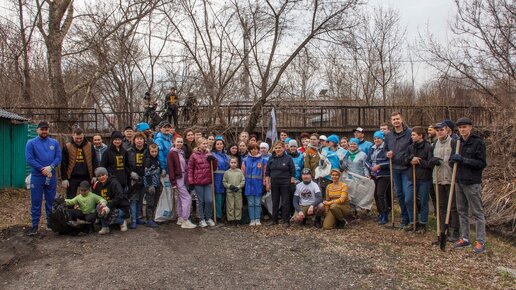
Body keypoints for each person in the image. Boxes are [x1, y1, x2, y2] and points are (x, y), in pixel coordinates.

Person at [451, 117, 487, 253]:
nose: (462, 129)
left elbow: (481, 164)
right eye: (460, 127)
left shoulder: (478, 143)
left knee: (477, 212)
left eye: (465, 127)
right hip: (459, 180)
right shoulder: (457, 142)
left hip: (472, 182)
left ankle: (480, 242)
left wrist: (463, 160)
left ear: (470, 127)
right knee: (462, 211)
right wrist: (452, 161)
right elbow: (453, 160)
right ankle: (465, 238)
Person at [25, 121, 62, 235]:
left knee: (50, 201)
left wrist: (50, 167)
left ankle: (50, 223)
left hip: (51, 176)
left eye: (46, 129)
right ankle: (35, 226)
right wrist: (42, 169)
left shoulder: (54, 142)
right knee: (36, 201)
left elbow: (58, 157)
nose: (44, 131)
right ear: (37, 130)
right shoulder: (31, 143)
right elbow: (29, 159)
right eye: (42, 129)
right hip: (37, 176)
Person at [432, 122, 460, 242]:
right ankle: (443, 230)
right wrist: (432, 160)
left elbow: (458, 160)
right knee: (441, 206)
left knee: (453, 206)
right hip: (437, 179)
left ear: (447, 130)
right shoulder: (434, 144)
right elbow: (428, 161)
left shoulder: (454, 143)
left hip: (450, 178)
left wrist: (454, 162)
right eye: (437, 130)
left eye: (441, 130)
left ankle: (455, 231)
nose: (439, 132)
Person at [384, 112, 412, 228]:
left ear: (402, 120)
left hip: (407, 168)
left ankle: (413, 219)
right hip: (395, 168)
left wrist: (409, 158)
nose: (396, 121)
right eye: (393, 119)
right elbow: (385, 149)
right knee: (399, 195)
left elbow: (414, 148)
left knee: (408, 195)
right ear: (391, 122)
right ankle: (404, 219)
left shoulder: (409, 133)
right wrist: (387, 153)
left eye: (397, 119)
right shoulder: (389, 136)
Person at [404, 126, 434, 232]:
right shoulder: (410, 147)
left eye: (414, 135)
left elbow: (430, 163)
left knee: (423, 201)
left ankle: (423, 223)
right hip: (411, 177)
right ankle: (413, 222)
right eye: (411, 135)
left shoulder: (428, 147)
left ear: (420, 135)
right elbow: (405, 159)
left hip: (424, 178)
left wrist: (419, 161)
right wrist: (410, 159)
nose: (412, 137)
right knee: (408, 199)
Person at [167, 136, 197, 229]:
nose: (179, 143)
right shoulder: (172, 153)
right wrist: (173, 182)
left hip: (184, 177)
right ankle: (185, 220)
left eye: (181, 142)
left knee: (181, 198)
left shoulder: (182, 152)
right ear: (174, 142)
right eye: (178, 142)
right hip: (178, 178)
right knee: (187, 198)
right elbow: (171, 168)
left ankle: (180, 217)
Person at [188, 137, 218, 227]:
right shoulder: (193, 155)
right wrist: (190, 181)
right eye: (203, 144)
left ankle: (208, 217)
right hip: (198, 181)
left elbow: (214, 168)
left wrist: (214, 160)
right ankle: (202, 219)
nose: (205, 145)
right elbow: (190, 169)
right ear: (198, 145)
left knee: (209, 200)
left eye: (206, 144)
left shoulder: (209, 154)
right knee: (200, 201)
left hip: (208, 180)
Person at [265, 141, 296, 227]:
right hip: (274, 183)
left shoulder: (288, 158)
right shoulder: (271, 158)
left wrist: (292, 182)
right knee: (275, 201)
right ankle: (274, 220)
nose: (278, 149)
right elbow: (267, 172)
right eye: (276, 148)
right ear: (274, 149)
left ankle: (286, 220)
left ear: (283, 148)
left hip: (285, 183)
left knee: (285, 202)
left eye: (279, 148)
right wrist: (267, 183)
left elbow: (293, 171)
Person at [61, 127, 97, 199]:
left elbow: (95, 161)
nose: (79, 140)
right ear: (73, 136)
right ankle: (70, 210)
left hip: (86, 176)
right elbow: (63, 163)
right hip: (72, 177)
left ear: (83, 136)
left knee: (88, 199)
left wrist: (95, 175)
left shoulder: (89, 145)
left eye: (80, 138)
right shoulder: (67, 146)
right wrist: (64, 178)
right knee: (70, 199)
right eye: (77, 138)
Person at [93, 167, 129, 234]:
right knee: (99, 208)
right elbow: (95, 198)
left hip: (120, 207)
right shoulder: (97, 185)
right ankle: (105, 227)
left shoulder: (114, 183)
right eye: (99, 176)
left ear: (106, 174)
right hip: (106, 206)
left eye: (103, 175)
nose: (101, 177)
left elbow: (119, 197)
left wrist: (109, 207)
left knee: (108, 213)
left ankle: (121, 221)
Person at [365, 131, 390, 225]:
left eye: (378, 138)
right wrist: (370, 167)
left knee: (380, 194)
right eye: (375, 138)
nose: (376, 140)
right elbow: (367, 160)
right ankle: (380, 213)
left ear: (382, 138)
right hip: (374, 174)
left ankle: (385, 215)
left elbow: (389, 162)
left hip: (384, 174)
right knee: (375, 194)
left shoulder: (386, 148)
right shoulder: (372, 148)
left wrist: (379, 166)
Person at [241, 144, 268, 226]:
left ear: (258, 150)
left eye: (256, 149)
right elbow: (242, 173)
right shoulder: (245, 160)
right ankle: (252, 219)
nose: (254, 150)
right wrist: (243, 184)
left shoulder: (263, 161)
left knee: (257, 203)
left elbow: (265, 173)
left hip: (258, 185)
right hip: (248, 185)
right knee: (251, 204)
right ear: (249, 150)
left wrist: (265, 184)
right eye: (252, 149)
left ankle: (257, 219)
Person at [126, 132, 147, 229]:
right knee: (133, 200)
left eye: (141, 139)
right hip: (133, 179)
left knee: (140, 199)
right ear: (134, 140)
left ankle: (138, 217)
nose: (139, 140)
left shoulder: (147, 151)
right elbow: (125, 165)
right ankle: (133, 219)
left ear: (144, 140)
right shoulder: (129, 151)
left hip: (144, 178)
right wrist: (131, 173)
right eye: (137, 139)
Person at [143, 144, 163, 228]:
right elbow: (146, 174)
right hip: (150, 185)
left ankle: (152, 218)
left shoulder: (157, 160)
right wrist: (150, 185)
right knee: (150, 203)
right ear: (149, 151)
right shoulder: (148, 160)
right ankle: (149, 220)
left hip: (157, 183)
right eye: (152, 151)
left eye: (155, 151)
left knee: (155, 202)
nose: (154, 153)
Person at [212, 138, 230, 222]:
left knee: (223, 197)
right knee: (218, 198)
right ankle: (217, 216)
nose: (219, 146)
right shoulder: (213, 154)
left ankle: (222, 214)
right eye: (217, 144)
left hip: (226, 177)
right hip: (217, 178)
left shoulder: (226, 155)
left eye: (221, 144)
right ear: (215, 146)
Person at [223, 157, 245, 226]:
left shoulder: (240, 172)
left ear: (237, 163)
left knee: (238, 205)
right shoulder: (227, 172)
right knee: (230, 206)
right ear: (229, 163)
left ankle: (237, 219)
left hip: (238, 191)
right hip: (230, 192)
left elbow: (243, 181)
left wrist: (238, 187)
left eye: (234, 163)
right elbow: (224, 182)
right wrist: (230, 186)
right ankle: (231, 219)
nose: (233, 164)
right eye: (232, 163)